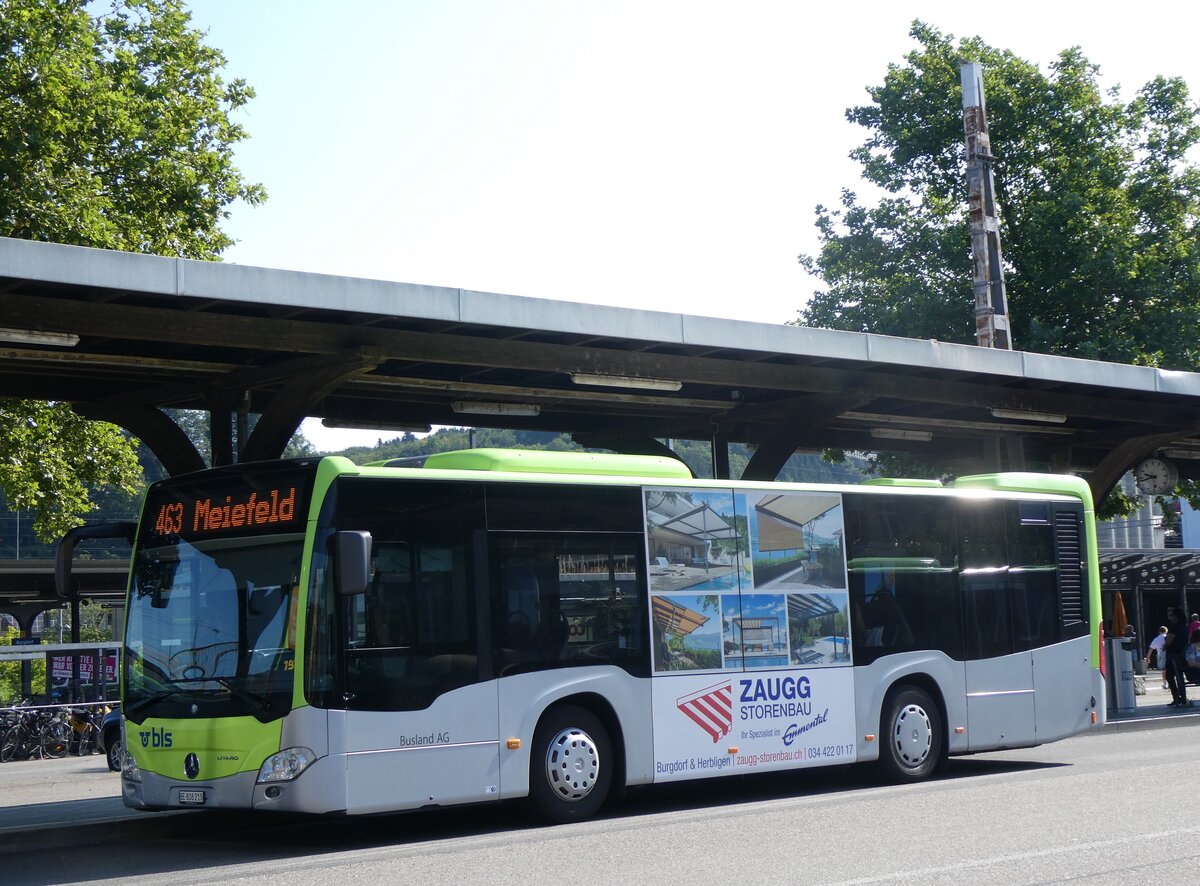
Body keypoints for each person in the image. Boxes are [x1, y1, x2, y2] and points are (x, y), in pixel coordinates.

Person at [1164, 610, 1191, 708]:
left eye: (1173, 616)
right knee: (1180, 677)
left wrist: (1164, 646)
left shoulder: (1174, 628)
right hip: (1182, 655)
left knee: (1169, 676)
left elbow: (1169, 642)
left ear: (1176, 617)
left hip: (1172, 656)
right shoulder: (1185, 628)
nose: (1171, 618)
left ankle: (1176, 697)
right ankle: (1182, 697)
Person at [1147, 625, 1169, 690]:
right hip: (1168, 654)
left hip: (1160, 654)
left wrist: (1148, 657)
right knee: (1169, 669)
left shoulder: (1156, 639)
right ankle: (1170, 682)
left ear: (1159, 631)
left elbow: (1151, 648)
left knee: (1163, 670)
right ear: (1166, 631)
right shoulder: (1167, 637)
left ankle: (1165, 683)